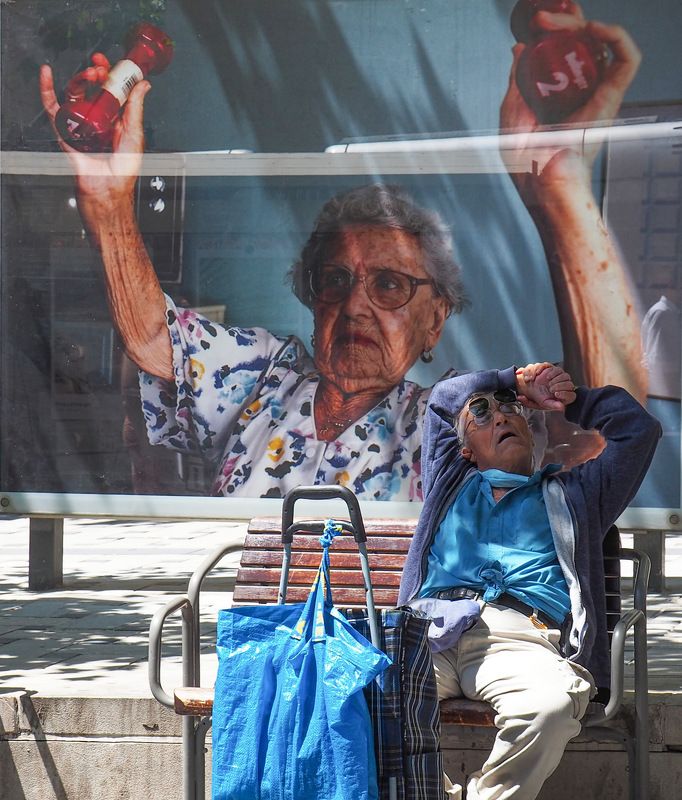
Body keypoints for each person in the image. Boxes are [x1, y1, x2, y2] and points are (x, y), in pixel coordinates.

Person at [37, 3, 647, 500]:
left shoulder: (450, 418)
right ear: (311, 299)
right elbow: (152, 339)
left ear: (435, 320)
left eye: (390, 285)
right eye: (334, 280)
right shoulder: (265, 378)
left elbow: (599, 437)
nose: (355, 305)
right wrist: (109, 203)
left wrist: (561, 193)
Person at [397, 361, 661, 799]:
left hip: (518, 641)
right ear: (467, 451)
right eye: (481, 414)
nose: (500, 417)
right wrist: (513, 383)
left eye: (510, 409)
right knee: (365, 695)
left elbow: (638, 431)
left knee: (550, 708)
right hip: (430, 633)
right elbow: (443, 400)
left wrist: (569, 401)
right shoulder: (450, 480)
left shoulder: (578, 495)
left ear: (531, 431)